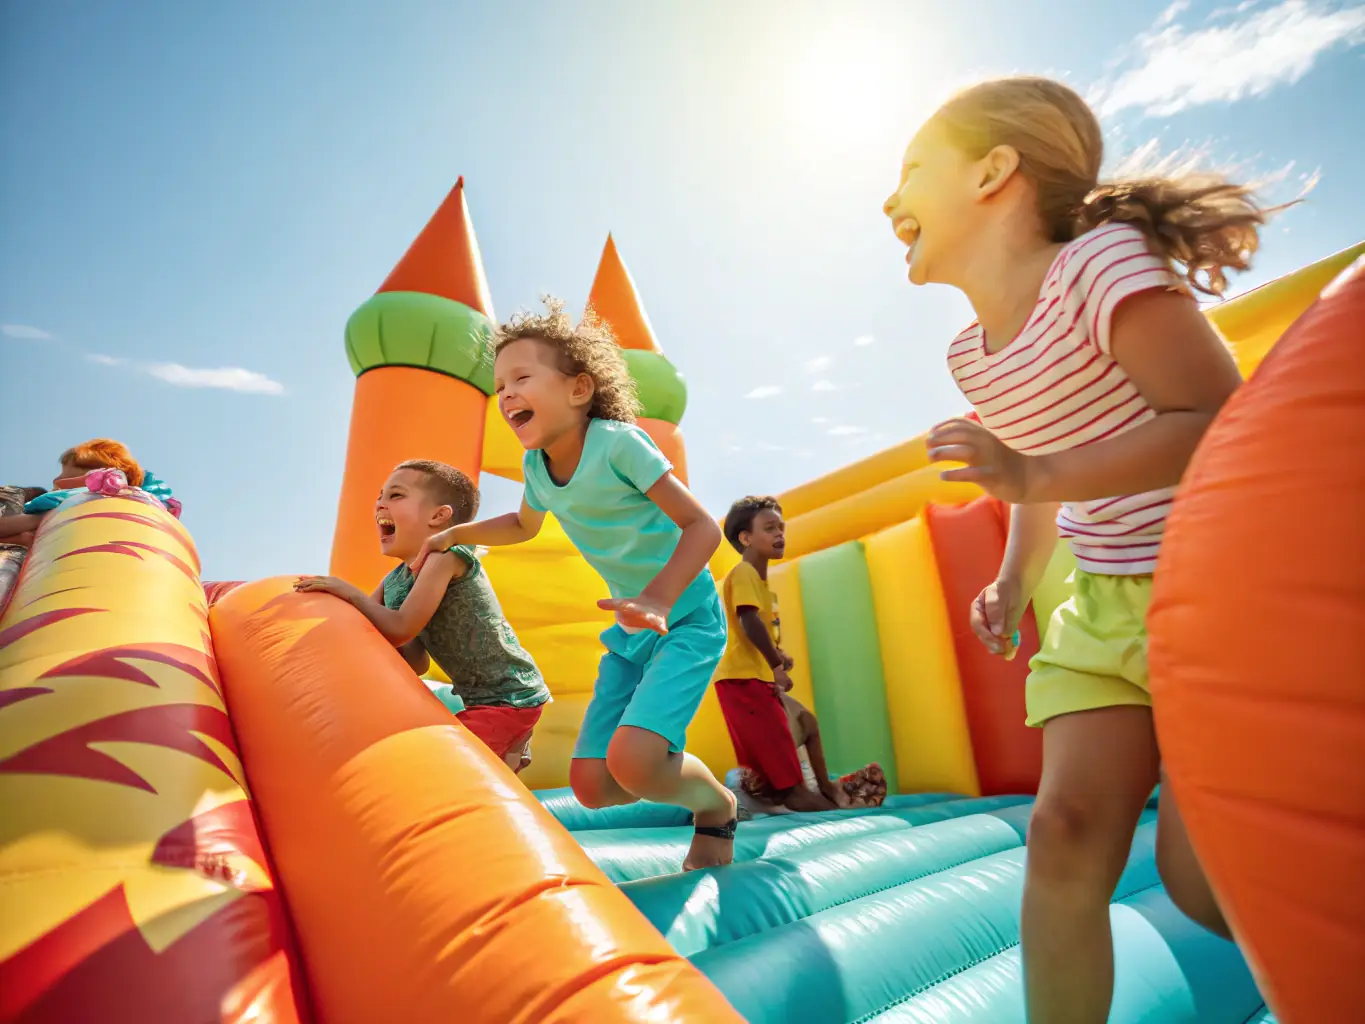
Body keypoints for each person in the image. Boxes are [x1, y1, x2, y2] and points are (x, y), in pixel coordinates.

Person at [883, 76, 1265, 1022]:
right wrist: (1015, 577)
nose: (889, 200)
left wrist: (1030, 476)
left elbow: (1213, 415)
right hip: (1100, 603)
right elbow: (1046, 475)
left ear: (993, 173)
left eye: (912, 170)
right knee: (1061, 835)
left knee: (1201, 884)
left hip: (1220, 588)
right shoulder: (971, 356)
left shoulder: (1099, 264)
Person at [413, 299, 737, 870]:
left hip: (684, 617)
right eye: (499, 385)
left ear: (579, 389)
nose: (506, 394)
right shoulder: (538, 468)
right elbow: (521, 524)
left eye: (522, 378)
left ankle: (717, 807)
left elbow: (702, 527)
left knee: (635, 762)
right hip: (632, 630)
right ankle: (673, 770)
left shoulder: (619, 444)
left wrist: (658, 598)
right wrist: (452, 533)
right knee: (593, 784)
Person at [295, 460, 550, 773]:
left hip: (510, 696)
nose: (380, 503)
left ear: (438, 516)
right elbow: (417, 661)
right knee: (486, 782)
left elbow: (401, 627)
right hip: (485, 699)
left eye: (396, 495)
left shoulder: (447, 557)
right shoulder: (394, 582)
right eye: (380, 496)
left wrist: (346, 591)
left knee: (444, 769)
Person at [713, 495, 885, 813]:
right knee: (790, 793)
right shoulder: (744, 573)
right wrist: (775, 662)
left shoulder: (763, 586)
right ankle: (818, 806)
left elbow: (753, 631)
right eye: (769, 528)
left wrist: (777, 656)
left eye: (781, 527)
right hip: (743, 682)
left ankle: (827, 789)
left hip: (756, 678)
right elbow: (748, 621)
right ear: (745, 538)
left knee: (806, 722)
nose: (780, 534)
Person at [0, 439, 179, 544]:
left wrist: (46, 517)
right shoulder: (136, 502)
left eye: (66, 470)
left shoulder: (75, 498)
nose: (57, 479)